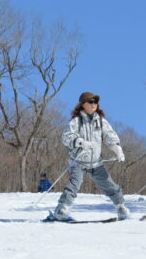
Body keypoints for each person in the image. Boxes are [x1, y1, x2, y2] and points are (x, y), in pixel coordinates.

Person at [49, 92, 128, 221]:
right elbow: (66, 137)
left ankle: (121, 207)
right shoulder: (76, 121)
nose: (93, 104)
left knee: (110, 184)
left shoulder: (101, 121)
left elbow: (110, 136)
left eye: (95, 102)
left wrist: (117, 150)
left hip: (96, 162)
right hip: (78, 162)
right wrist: (80, 142)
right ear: (83, 104)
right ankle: (62, 209)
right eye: (90, 102)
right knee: (74, 185)